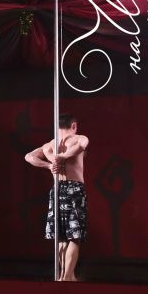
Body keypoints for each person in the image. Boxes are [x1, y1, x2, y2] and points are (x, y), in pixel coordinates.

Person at [25, 113, 88, 281]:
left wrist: (49, 163)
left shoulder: (49, 145)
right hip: (73, 188)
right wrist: (62, 158)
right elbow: (83, 143)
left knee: (61, 236)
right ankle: (66, 278)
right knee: (74, 235)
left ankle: (65, 276)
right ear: (73, 126)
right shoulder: (77, 138)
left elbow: (29, 156)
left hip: (57, 190)